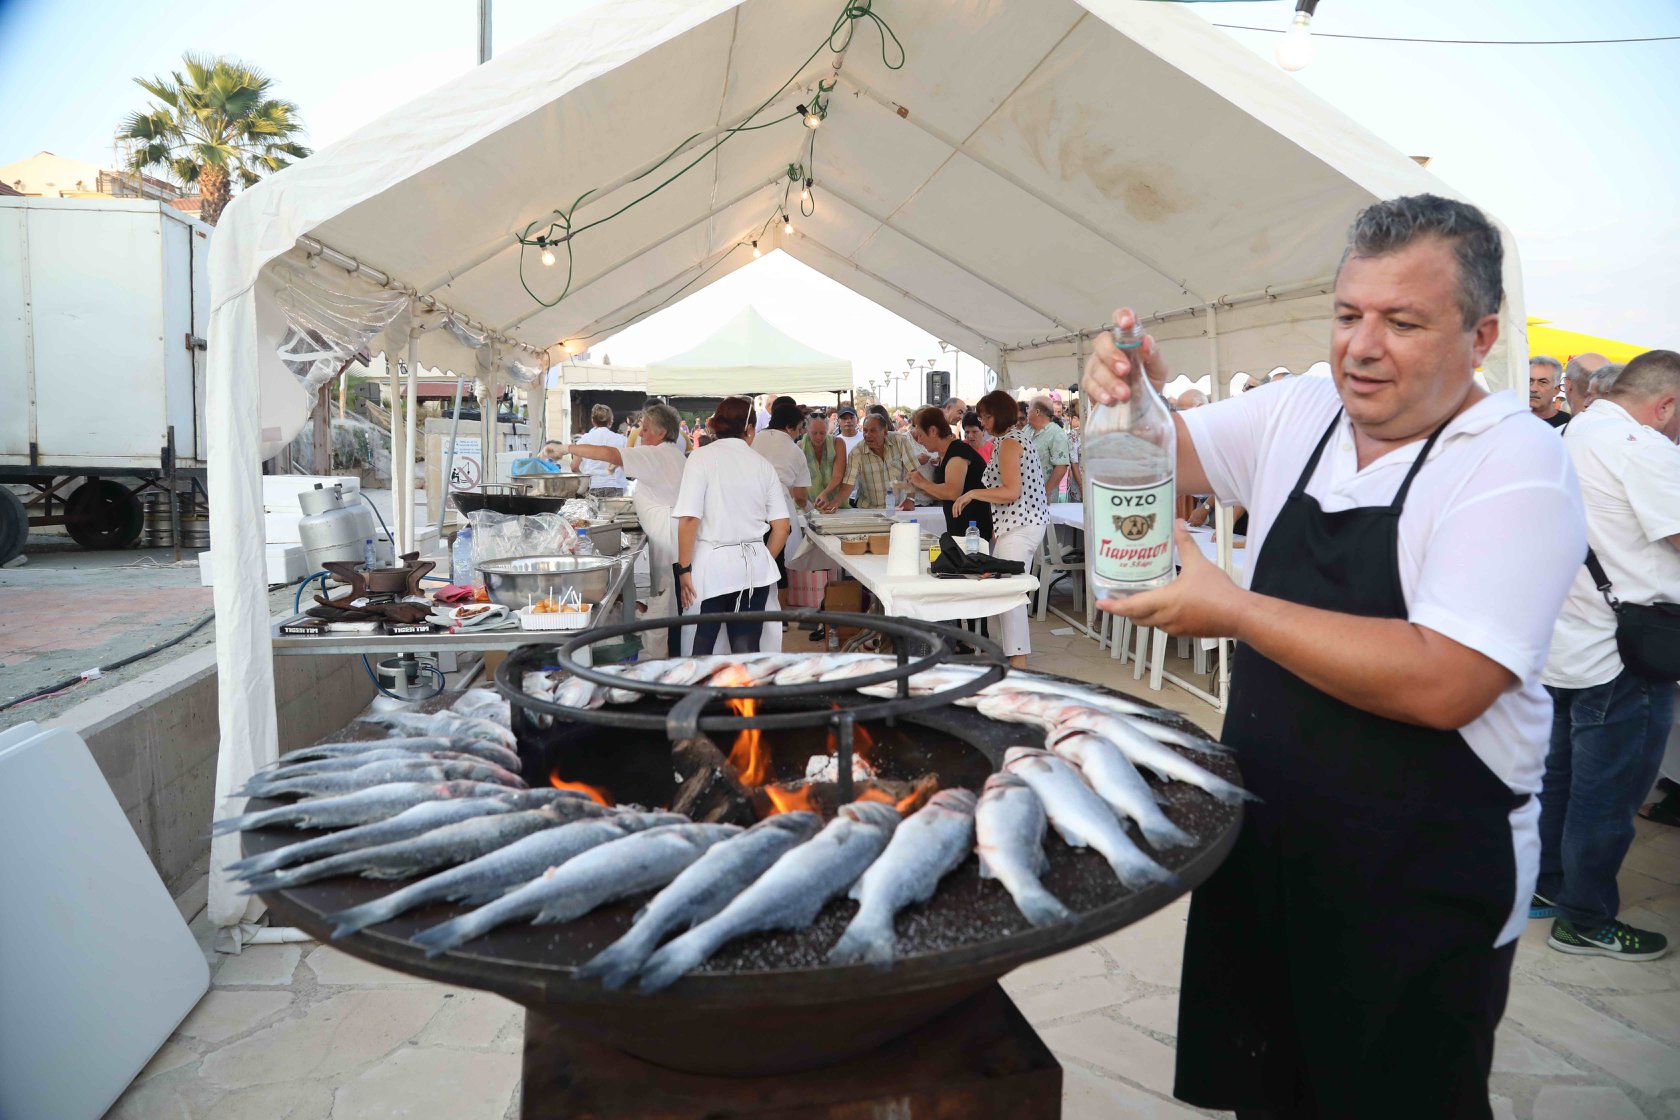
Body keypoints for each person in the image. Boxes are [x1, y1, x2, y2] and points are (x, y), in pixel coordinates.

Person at [1083, 194, 1585, 1116]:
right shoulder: (1303, 412)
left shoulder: (1512, 462)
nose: (1361, 346)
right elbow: (1170, 454)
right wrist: (1134, 387)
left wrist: (1235, 609)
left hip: (1421, 882)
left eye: (1402, 322)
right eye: (1349, 314)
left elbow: (1446, 680)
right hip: (1268, 846)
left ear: (1481, 337)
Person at [1535, 348, 1680, 961]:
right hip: (1625, 653)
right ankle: (1587, 918)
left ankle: (1548, 890)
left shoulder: (1569, 433)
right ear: (1666, 403)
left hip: (1566, 639)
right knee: (1609, 795)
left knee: (1562, 781)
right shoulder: (1640, 447)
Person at [673, 396, 790, 655]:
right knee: (746, 648)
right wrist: (763, 557)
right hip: (755, 567)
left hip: (712, 565)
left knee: (704, 643)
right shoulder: (763, 465)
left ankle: (701, 692)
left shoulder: (701, 458)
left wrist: (683, 570)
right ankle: (746, 693)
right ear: (750, 428)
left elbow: (689, 519)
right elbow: (782, 526)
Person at [567, 403, 688, 653]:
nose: (640, 434)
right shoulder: (671, 453)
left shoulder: (657, 454)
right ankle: (670, 651)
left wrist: (568, 448)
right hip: (671, 534)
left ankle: (660, 658)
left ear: (662, 433)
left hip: (670, 537)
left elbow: (610, 454)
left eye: (645, 429)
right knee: (670, 601)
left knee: (665, 602)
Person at [952, 389, 1047, 670]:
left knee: (1009, 593)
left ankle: (1018, 660)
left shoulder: (1009, 443)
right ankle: (1014, 657)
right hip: (1018, 525)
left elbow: (1010, 491)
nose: (983, 422)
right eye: (981, 417)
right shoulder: (1009, 440)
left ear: (1000, 415)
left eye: (987, 416)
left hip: (1022, 525)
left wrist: (972, 494)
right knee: (1007, 592)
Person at [905, 406, 991, 539]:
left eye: (921, 435)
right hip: (961, 528)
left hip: (973, 531)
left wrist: (922, 482)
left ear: (933, 431)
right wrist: (917, 487)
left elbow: (952, 492)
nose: (920, 441)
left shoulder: (957, 453)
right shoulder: (947, 452)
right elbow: (942, 493)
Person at [752, 400, 813, 586]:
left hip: (750, 505)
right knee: (777, 568)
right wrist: (813, 511)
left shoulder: (754, 439)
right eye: (799, 428)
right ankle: (780, 612)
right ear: (788, 427)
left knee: (753, 560)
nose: (799, 433)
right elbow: (801, 497)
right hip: (778, 508)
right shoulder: (795, 451)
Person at [818, 413, 917, 511]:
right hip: (868, 509)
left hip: (897, 508)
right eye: (865, 430)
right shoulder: (856, 452)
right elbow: (849, 483)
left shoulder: (900, 441)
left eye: (873, 431)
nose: (867, 435)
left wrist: (910, 498)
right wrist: (835, 503)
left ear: (885, 432)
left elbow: (912, 472)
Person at [573, 404, 627, 494]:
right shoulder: (622, 440)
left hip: (592, 486)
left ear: (593, 421)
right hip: (615, 486)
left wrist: (584, 479)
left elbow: (574, 466)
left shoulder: (584, 440)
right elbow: (626, 465)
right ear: (610, 421)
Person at [1026, 396, 1071, 502]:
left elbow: (1061, 466)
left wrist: (1046, 491)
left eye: (1029, 408)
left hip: (1043, 499)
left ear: (1037, 412)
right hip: (1023, 495)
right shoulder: (1027, 429)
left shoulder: (1056, 433)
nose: (1027, 411)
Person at [802, 411, 850, 511]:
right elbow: (798, 481)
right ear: (807, 430)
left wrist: (824, 494)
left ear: (828, 430)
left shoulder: (838, 443)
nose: (818, 437)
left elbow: (838, 475)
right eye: (814, 433)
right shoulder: (799, 447)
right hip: (808, 505)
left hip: (835, 503)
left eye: (822, 433)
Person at [1529, 356, 1569, 427]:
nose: (1533, 389)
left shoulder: (1568, 424)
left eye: (1542, 382)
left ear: (1556, 390)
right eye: (1530, 381)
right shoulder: (1511, 422)